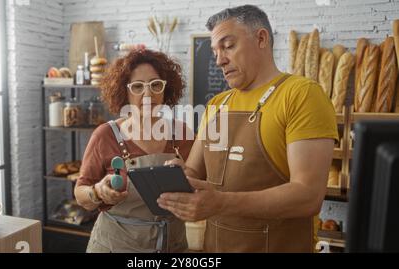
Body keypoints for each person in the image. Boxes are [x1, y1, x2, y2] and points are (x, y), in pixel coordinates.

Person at [157, 5, 339, 252]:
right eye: (215, 51)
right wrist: (180, 175)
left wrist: (221, 203)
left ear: (261, 38)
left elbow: (308, 196)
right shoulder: (217, 105)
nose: (220, 59)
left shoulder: (302, 95)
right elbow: (194, 171)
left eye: (228, 46)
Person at [75, 49, 194, 253]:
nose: (148, 94)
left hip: (172, 246)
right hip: (114, 246)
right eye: (137, 87)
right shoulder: (105, 135)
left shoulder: (183, 133)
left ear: (167, 89)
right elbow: (80, 194)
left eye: (156, 85)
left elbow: (203, 186)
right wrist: (97, 192)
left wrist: (189, 176)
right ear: (124, 92)